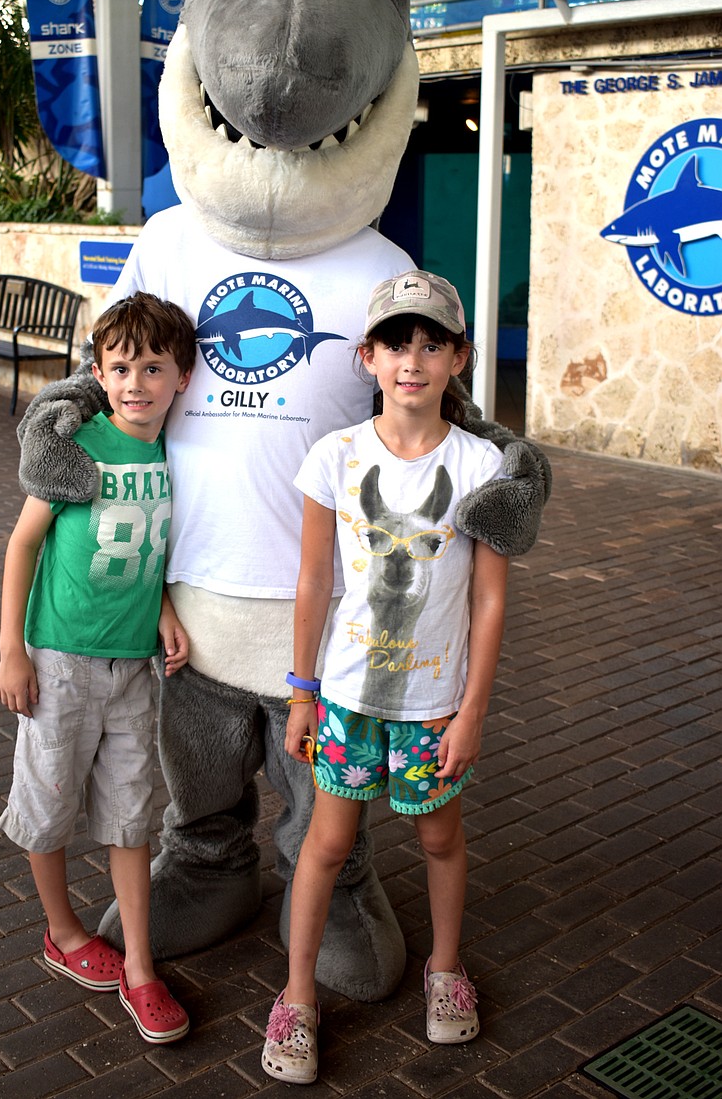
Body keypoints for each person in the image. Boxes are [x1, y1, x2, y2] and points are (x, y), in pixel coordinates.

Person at [261, 270, 509, 1084]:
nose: (413, 360)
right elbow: (313, 581)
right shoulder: (333, 458)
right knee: (327, 842)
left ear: (458, 358)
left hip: (435, 707)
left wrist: (472, 710)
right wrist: (302, 692)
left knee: (439, 837)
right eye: (396, 344)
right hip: (346, 699)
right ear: (368, 356)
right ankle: (298, 995)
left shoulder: (483, 466)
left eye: (432, 344)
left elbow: (489, 599)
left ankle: (445, 967)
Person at [0, 292, 196, 1045]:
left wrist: (164, 608)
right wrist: (11, 649)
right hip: (59, 660)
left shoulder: (175, 455)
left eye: (153, 367)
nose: (135, 382)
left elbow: (156, 549)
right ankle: (64, 932)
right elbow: (23, 544)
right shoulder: (79, 448)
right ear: (98, 373)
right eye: (120, 368)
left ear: (182, 377)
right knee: (48, 802)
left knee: (129, 813)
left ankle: (140, 967)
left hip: (133, 668)